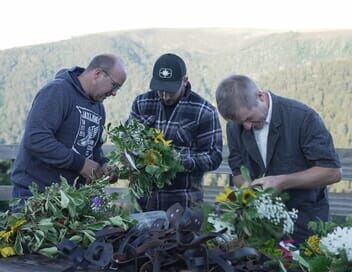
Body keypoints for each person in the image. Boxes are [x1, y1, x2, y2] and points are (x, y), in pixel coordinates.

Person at [215, 74, 341, 244]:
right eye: (240, 122)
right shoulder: (234, 127)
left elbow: (331, 172)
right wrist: (249, 191)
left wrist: (281, 182)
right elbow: (237, 170)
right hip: (260, 226)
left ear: (260, 96)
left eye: (249, 119)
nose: (246, 127)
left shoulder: (302, 118)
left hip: (306, 222)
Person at [12, 54, 127, 199]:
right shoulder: (57, 91)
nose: (115, 93)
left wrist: (103, 164)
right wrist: (80, 164)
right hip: (36, 195)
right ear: (97, 74)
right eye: (114, 85)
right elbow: (36, 138)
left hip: (72, 198)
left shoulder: (99, 107)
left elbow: (94, 146)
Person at [129, 53, 223, 211]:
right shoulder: (141, 103)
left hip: (185, 203)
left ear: (184, 81)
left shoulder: (204, 111)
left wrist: (178, 161)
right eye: (160, 90)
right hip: (144, 202)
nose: (165, 96)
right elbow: (129, 140)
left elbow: (214, 156)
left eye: (170, 91)